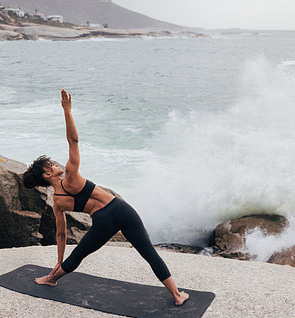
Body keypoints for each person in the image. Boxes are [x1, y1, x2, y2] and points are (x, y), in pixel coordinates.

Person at [22, 89, 189, 306]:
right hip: (122, 209)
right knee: (148, 252)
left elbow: (61, 235)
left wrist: (59, 260)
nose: (56, 165)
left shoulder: (57, 202)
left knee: (80, 253)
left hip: (103, 221)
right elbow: (73, 141)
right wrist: (67, 111)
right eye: (51, 166)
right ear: (47, 174)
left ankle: (51, 278)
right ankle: (176, 295)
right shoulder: (71, 177)